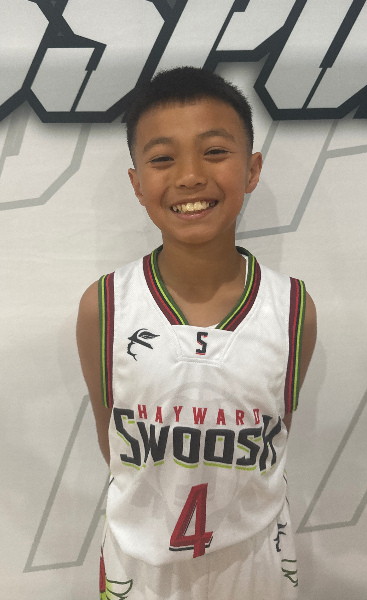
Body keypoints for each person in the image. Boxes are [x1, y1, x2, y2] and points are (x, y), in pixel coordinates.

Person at [76, 66, 316, 600]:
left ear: (252, 169)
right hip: (141, 571)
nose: (190, 176)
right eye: (163, 159)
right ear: (137, 183)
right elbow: (111, 439)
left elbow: (274, 434)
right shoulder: (105, 305)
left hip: (255, 565)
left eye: (214, 152)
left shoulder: (293, 308)